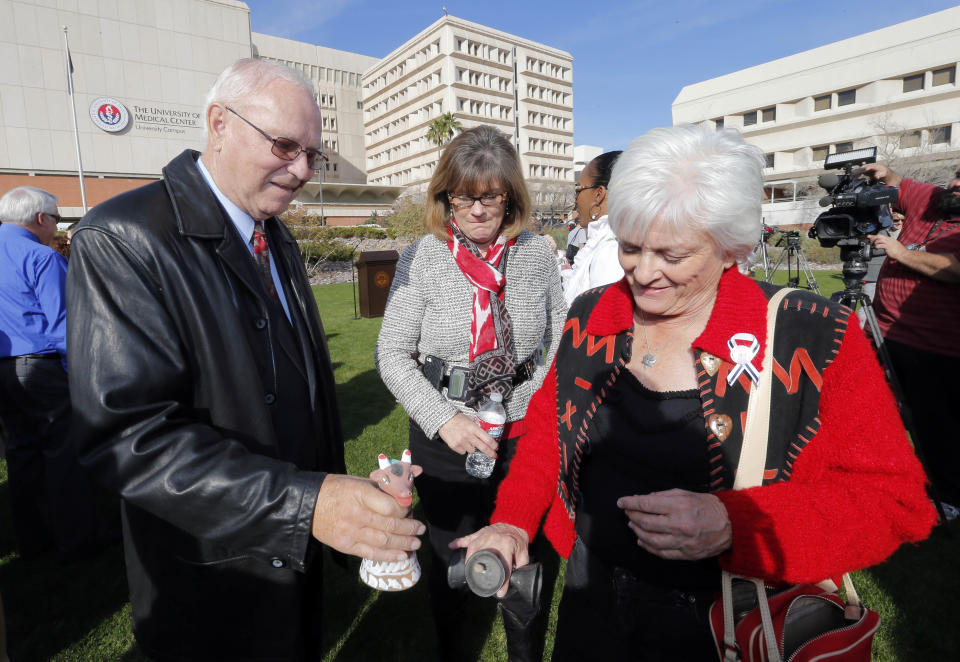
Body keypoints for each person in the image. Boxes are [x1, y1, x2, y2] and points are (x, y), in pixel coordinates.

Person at [454, 125, 936, 660]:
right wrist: (512, 521)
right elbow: (547, 429)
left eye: (672, 255)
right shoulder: (592, 312)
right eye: (631, 247)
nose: (643, 272)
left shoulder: (817, 336)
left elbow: (893, 501)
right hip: (592, 600)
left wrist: (735, 524)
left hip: (732, 621)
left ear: (731, 247)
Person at [66, 58, 423, 661]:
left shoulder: (273, 233)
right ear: (218, 124)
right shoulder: (122, 236)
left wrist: (342, 493)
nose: (303, 170)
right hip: (209, 580)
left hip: (289, 560)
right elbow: (125, 437)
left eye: (313, 153)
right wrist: (305, 503)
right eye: (285, 145)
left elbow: (301, 391)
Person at [375, 125, 566, 661]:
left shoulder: (536, 255)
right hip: (445, 434)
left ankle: (524, 650)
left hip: (522, 431)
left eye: (491, 196)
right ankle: (453, 649)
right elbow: (391, 354)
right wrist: (443, 419)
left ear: (511, 196)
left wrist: (526, 408)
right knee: (449, 557)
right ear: (446, 195)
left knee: (525, 553)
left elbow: (557, 340)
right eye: (464, 195)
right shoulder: (422, 256)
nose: (478, 210)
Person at [0, 186, 106, 560]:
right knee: (63, 454)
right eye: (57, 219)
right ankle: (77, 539)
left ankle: (33, 540)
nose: (57, 228)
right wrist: (78, 372)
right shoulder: (41, 257)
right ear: (40, 218)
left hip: (5, 367)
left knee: (21, 452)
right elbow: (65, 323)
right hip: (40, 367)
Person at [862, 163, 960, 515]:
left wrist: (900, 252)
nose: (955, 184)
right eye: (957, 176)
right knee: (868, 408)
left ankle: (948, 498)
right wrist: (884, 174)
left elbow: (954, 269)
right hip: (880, 329)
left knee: (935, 425)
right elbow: (899, 185)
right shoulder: (935, 199)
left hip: (935, 345)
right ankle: (872, 471)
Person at [563, 151, 624, 304]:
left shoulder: (611, 252)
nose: (576, 198)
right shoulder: (607, 241)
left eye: (579, 190)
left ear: (599, 194)